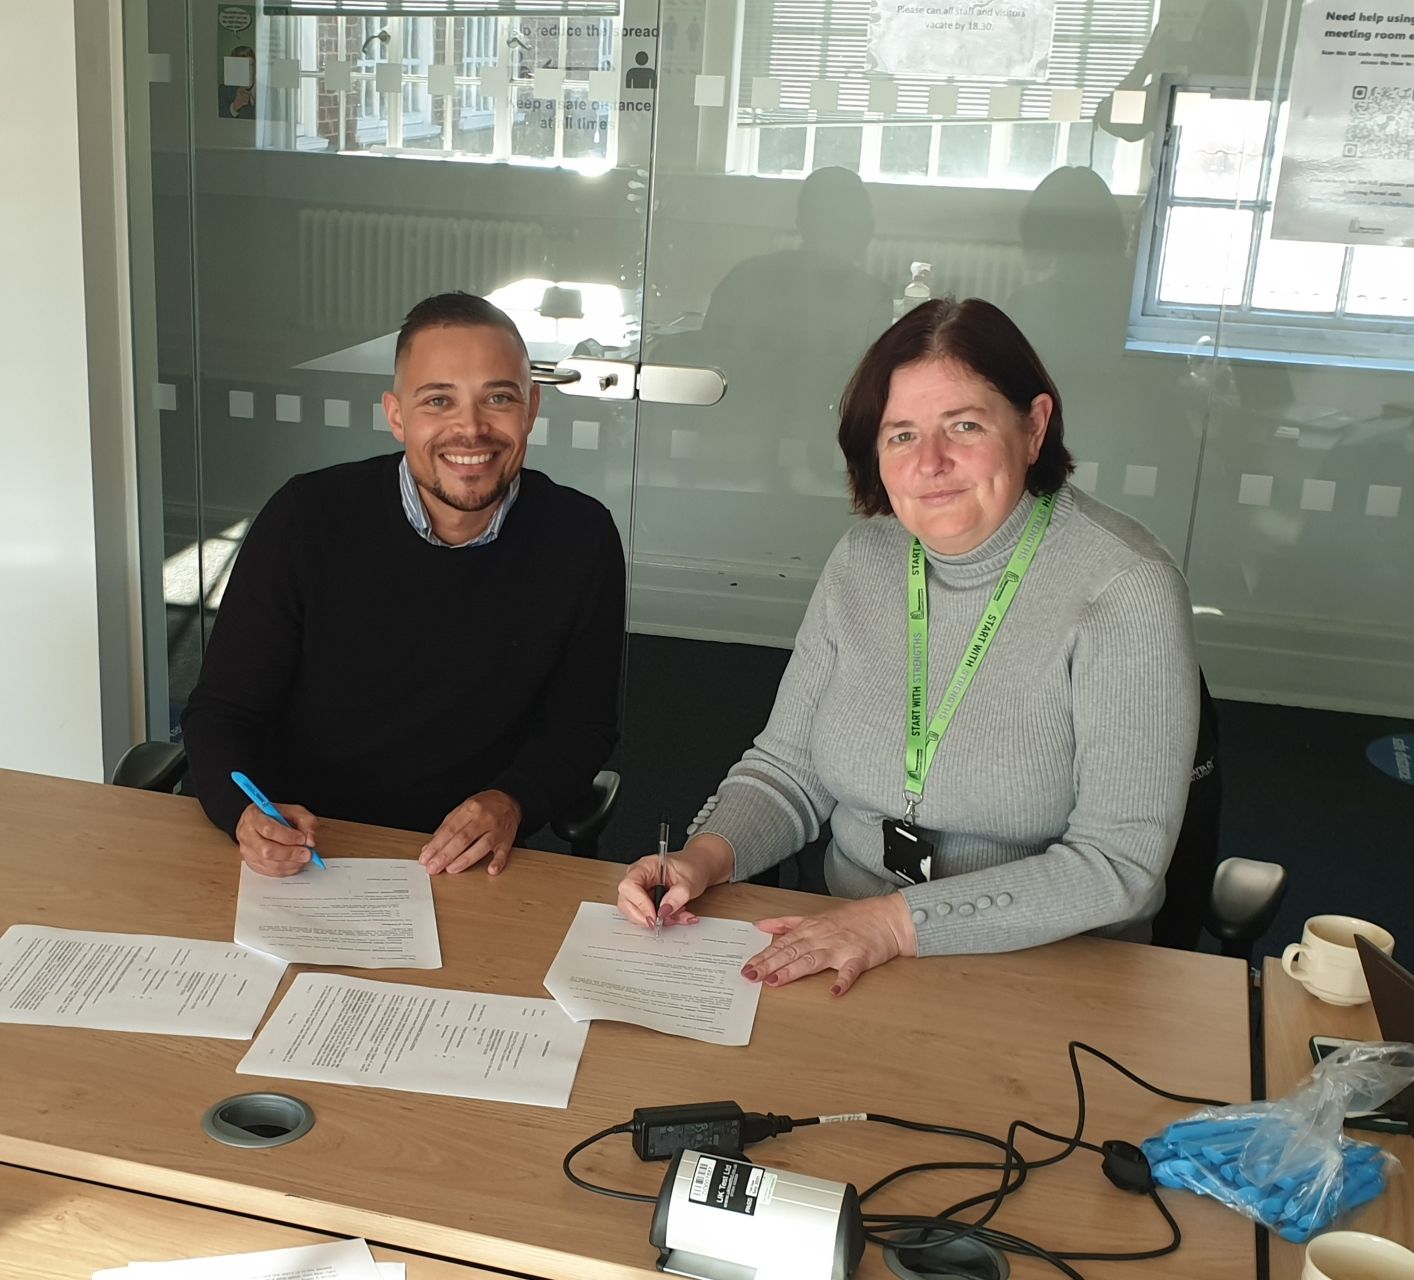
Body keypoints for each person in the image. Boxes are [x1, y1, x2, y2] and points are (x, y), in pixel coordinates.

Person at [618, 298, 1199, 994]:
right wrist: (703, 858)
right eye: (901, 435)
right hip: (842, 940)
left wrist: (894, 924)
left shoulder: (1125, 587)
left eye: (964, 425)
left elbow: (1118, 864)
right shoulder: (865, 559)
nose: (931, 462)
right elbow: (789, 767)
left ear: (1034, 426)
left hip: (1050, 970)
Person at [183, 292, 625, 878]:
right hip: (304, 849)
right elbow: (222, 711)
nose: (470, 429)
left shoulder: (580, 536)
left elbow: (581, 727)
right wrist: (244, 813)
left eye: (498, 398)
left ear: (531, 409)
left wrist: (513, 800)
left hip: (467, 863)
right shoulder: (306, 518)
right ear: (396, 416)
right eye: (438, 400)